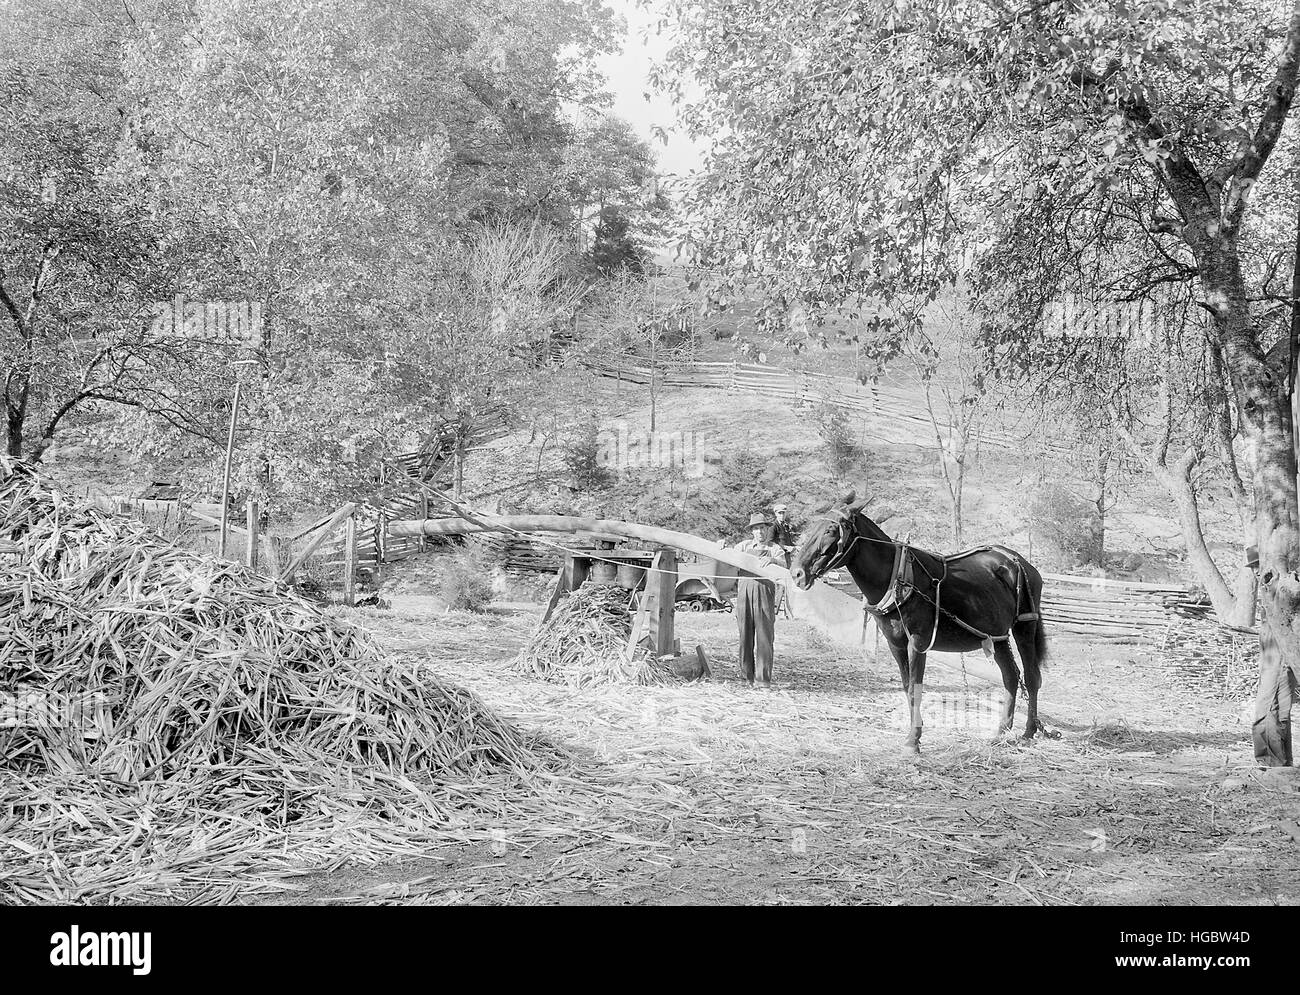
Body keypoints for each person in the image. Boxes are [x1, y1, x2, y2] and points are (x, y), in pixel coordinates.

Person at [733, 512, 783, 689]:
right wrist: (720, 544)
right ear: (752, 531)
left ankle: (763, 679)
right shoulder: (744, 546)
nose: (759, 532)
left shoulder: (774, 549)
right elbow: (725, 554)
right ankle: (746, 677)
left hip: (764, 593)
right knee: (745, 635)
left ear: (767, 529)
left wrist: (773, 560)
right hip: (744, 591)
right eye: (756, 529)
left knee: (764, 636)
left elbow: (784, 564)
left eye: (762, 528)